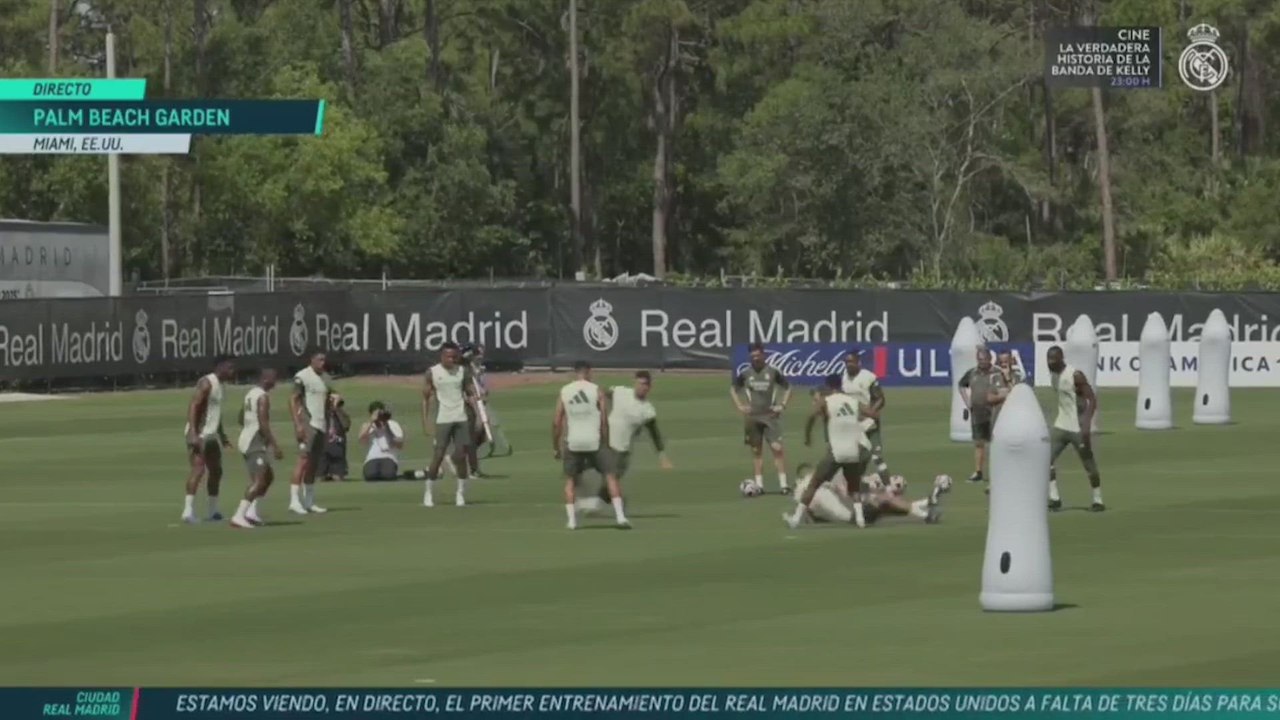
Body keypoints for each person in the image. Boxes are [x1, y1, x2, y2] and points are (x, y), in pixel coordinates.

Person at [577, 370, 674, 514]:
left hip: (620, 453)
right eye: (640, 383)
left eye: (645, 385)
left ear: (649, 387)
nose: (642, 387)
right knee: (575, 468)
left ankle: (601, 502)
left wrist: (662, 457)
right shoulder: (621, 392)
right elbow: (602, 392)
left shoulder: (647, 410)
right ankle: (604, 501)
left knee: (606, 489)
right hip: (603, 445)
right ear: (635, 383)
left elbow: (655, 435)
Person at [784, 374, 872, 529]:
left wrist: (807, 436)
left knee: (813, 484)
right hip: (853, 451)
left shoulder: (826, 401)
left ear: (828, 386)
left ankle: (796, 520)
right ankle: (860, 520)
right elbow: (873, 414)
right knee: (854, 486)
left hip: (836, 452)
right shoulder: (853, 401)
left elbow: (811, 416)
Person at [555, 360, 628, 530]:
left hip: (573, 441)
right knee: (611, 476)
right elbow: (604, 420)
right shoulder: (596, 390)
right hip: (594, 441)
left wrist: (555, 446)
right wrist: (606, 441)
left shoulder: (565, 391)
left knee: (571, 481)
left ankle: (572, 521)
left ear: (575, 372)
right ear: (588, 372)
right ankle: (620, 517)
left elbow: (556, 421)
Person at [788, 464, 950, 527]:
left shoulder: (805, 493)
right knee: (884, 500)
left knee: (887, 506)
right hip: (853, 515)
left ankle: (927, 505)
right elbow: (846, 491)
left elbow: (812, 516)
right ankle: (927, 511)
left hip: (850, 515)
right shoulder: (819, 483)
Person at [1045, 345, 1104, 512]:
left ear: (1061, 358)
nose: (1049, 363)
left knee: (1088, 462)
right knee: (1045, 460)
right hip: (1061, 424)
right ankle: (1054, 497)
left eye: (1053, 360)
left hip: (1077, 427)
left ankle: (1097, 499)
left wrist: (1086, 422)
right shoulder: (1054, 375)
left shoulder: (1075, 375)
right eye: (1048, 359)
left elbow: (1091, 399)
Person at [731, 342, 791, 494]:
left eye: (758, 355)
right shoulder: (746, 373)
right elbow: (733, 389)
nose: (755, 359)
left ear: (763, 355)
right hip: (753, 417)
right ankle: (759, 485)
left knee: (777, 449)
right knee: (757, 451)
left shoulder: (772, 372)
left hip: (770, 416)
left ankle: (783, 485)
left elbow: (788, 387)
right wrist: (740, 406)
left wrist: (782, 405)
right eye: (753, 356)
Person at [182, 355, 236, 523]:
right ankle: (188, 511)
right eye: (229, 367)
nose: (232, 371)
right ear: (219, 367)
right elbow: (194, 405)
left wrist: (223, 436)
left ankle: (212, 511)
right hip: (201, 434)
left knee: (216, 471)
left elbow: (215, 414)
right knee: (198, 470)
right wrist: (193, 432)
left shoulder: (221, 386)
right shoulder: (206, 382)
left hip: (212, 435)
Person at [421, 342, 474, 507]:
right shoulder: (433, 372)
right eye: (449, 356)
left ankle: (460, 493)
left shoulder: (462, 371)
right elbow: (425, 398)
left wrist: (477, 398)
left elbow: (469, 390)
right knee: (438, 455)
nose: (452, 359)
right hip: (443, 418)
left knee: (461, 456)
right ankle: (429, 492)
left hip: (460, 417)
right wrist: (426, 421)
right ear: (442, 356)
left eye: (455, 356)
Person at [231, 369, 284, 529]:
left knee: (268, 476)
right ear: (265, 378)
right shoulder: (262, 396)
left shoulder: (250, 393)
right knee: (260, 480)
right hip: (254, 441)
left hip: (247, 437)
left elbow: (241, 417)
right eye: (273, 378)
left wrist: (249, 426)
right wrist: (275, 445)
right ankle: (239, 516)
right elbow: (263, 423)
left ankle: (251, 512)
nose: (275, 382)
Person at [288, 351, 332, 515]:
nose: (322, 362)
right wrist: (298, 424)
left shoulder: (326, 378)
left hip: (321, 424)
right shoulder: (302, 376)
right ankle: (294, 500)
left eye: (324, 359)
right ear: (311, 359)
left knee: (314, 463)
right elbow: (293, 399)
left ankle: (309, 501)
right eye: (319, 359)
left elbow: (327, 402)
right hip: (308, 423)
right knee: (303, 460)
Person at [841, 350, 893, 481]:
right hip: (852, 423)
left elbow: (880, 399)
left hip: (869, 422)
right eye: (846, 362)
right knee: (856, 458)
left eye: (851, 362)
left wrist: (870, 413)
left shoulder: (868, 377)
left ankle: (889, 487)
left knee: (877, 457)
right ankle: (855, 488)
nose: (848, 365)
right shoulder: (844, 378)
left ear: (859, 363)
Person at [958, 347, 997, 486]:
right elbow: (961, 385)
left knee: (996, 443)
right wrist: (967, 401)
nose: (982, 362)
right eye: (979, 360)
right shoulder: (972, 373)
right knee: (979, 443)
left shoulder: (996, 373)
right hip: (977, 413)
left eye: (984, 360)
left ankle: (998, 472)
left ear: (990, 359)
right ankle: (978, 472)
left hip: (994, 412)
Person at [360, 401, 422, 481]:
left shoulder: (393, 424)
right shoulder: (367, 426)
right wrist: (372, 422)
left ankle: (402, 474)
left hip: (389, 456)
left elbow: (399, 445)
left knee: (388, 476)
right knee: (370, 476)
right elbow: (361, 439)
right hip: (372, 457)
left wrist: (386, 427)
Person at [460, 343, 489, 477]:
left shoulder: (477, 369)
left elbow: (481, 388)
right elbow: (465, 388)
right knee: (473, 435)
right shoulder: (464, 369)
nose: (481, 356)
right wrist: (470, 398)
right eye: (478, 353)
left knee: (481, 435)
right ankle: (472, 468)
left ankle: (462, 457)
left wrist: (483, 394)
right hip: (467, 406)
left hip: (478, 405)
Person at [319, 394, 351, 482]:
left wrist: (337, 409)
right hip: (323, 450)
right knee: (320, 478)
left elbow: (346, 426)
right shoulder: (321, 414)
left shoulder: (341, 414)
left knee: (338, 478)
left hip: (338, 449)